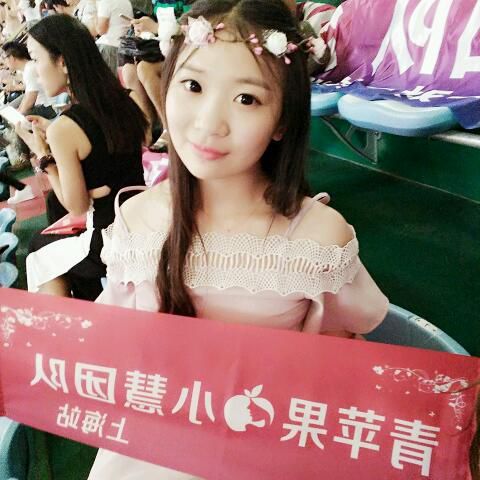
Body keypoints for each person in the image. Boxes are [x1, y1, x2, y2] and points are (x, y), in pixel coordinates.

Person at [87, 0, 388, 478]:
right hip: (151, 445)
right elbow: (114, 344)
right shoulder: (136, 221)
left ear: (283, 120)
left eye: (247, 99)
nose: (209, 123)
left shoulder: (317, 239)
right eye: (193, 86)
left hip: (268, 446)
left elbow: (340, 352)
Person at [16, 14, 147, 301]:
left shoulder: (65, 129)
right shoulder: (124, 100)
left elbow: (76, 206)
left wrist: (44, 157)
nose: (35, 70)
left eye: (36, 59)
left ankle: (69, 322)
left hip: (108, 242)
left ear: (62, 62)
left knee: (38, 246)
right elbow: (104, 150)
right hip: (141, 225)